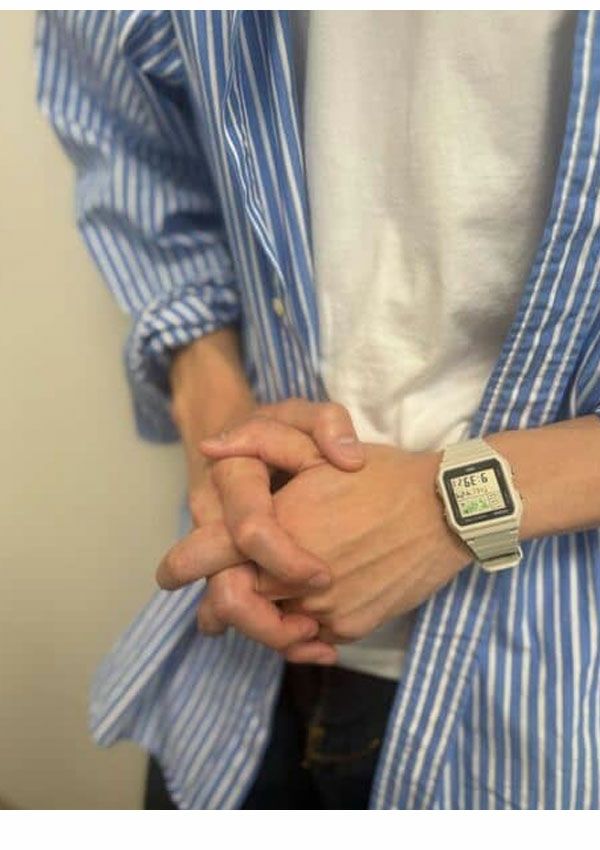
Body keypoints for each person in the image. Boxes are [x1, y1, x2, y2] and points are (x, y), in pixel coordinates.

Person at [36, 11, 600, 810]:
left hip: (545, 710)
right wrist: (222, 441)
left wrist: (444, 510)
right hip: (238, 660)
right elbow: (121, 118)